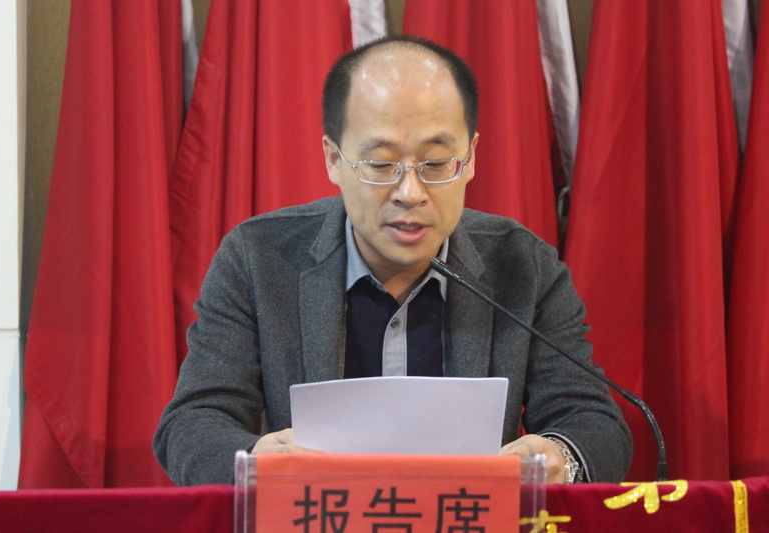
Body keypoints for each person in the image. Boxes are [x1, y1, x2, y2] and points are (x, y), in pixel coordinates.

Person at [154, 35, 632, 486]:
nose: (410, 192)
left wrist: (560, 457)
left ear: (470, 157)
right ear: (334, 159)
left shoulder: (524, 264)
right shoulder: (259, 257)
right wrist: (256, 464)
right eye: (381, 165)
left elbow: (593, 422)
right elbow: (193, 422)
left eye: (436, 164)